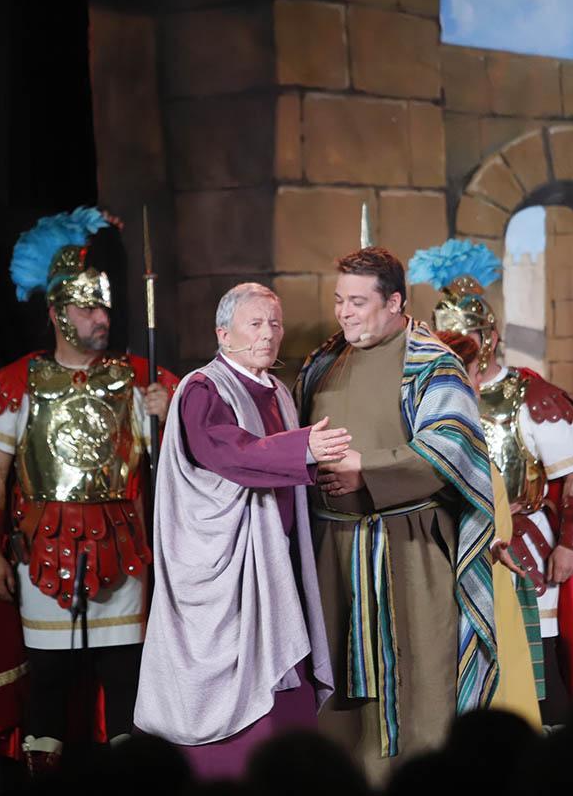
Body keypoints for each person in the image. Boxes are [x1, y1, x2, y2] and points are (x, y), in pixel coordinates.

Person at [0, 207, 178, 774]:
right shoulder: (17, 383)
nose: (101, 316)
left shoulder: (140, 377)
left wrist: (169, 415)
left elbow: (180, 460)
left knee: (124, 676)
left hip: (122, 546)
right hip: (44, 547)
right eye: (88, 306)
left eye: (104, 305)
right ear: (58, 312)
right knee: (50, 683)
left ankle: (132, 786)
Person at [294, 247, 497, 781]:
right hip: (332, 556)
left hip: (406, 553)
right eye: (339, 300)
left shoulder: (430, 362)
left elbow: (454, 445)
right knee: (335, 698)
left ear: (394, 302)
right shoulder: (322, 362)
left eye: (358, 302)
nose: (344, 312)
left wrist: (370, 469)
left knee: (418, 685)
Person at [133, 283, 342, 779]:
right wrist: (305, 449)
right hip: (225, 565)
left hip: (279, 556)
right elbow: (224, 452)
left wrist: (316, 469)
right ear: (223, 333)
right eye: (255, 323)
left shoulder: (279, 392)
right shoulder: (203, 388)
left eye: (275, 323)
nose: (268, 334)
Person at [430, 273, 573, 727]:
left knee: (533, 649)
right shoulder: (434, 394)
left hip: (524, 540)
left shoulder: (529, 395)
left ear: (490, 337)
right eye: (445, 337)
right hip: (453, 537)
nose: (456, 346)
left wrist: (569, 543)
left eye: (464, 336)